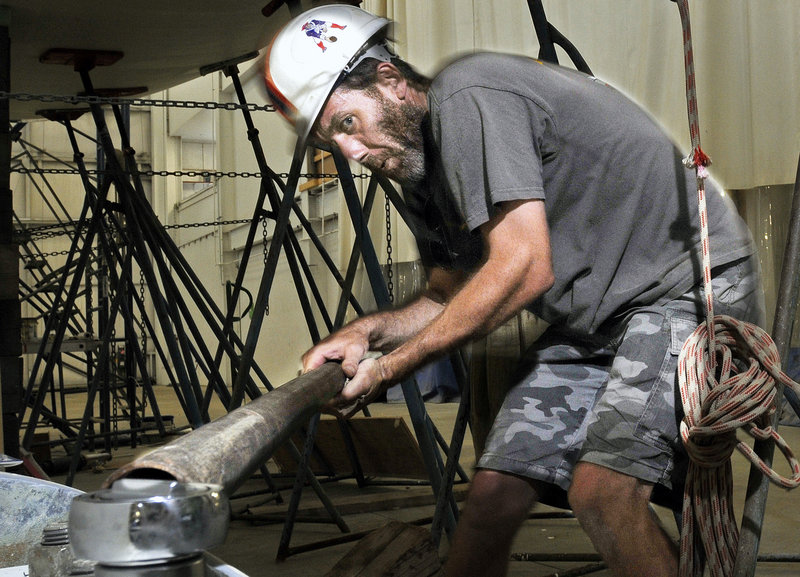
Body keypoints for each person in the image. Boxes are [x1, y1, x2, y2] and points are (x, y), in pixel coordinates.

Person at [264, 5, 764, 577]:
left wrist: (388, 368)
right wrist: (366, 332)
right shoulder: (424, 173)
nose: (351, 153)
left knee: (601, 492)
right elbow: (445, 295)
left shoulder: (468, 96)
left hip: (686, 288)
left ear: (390, 82)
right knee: (493, 493)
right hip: (601, 321)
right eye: (333, 142)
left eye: (348, 124)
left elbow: (524, 267)